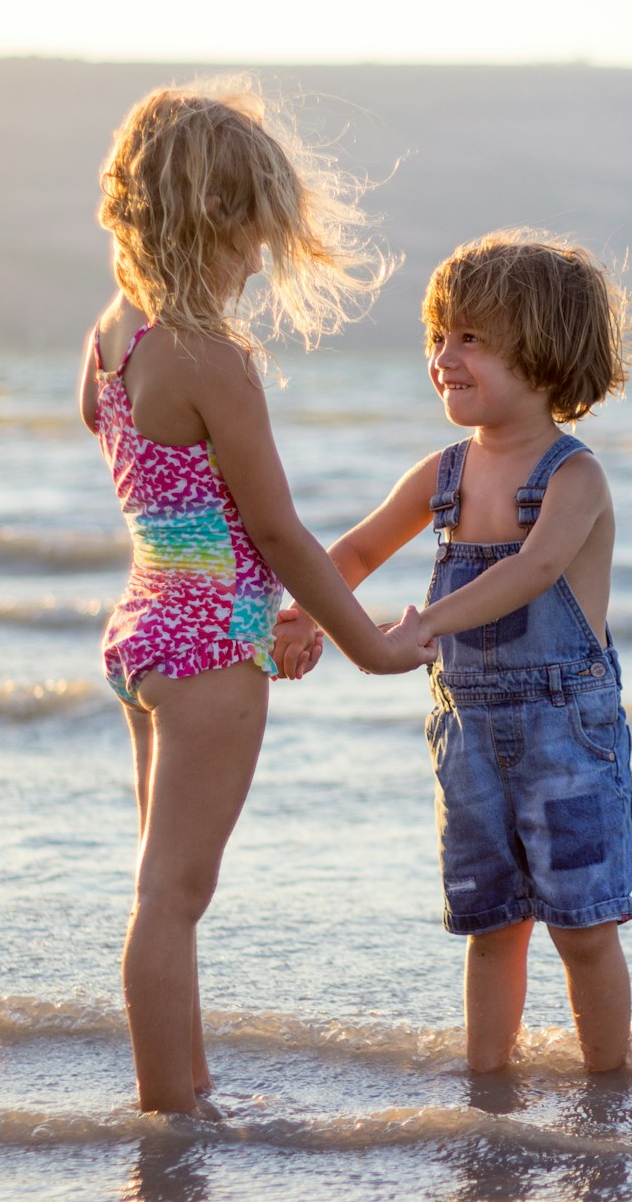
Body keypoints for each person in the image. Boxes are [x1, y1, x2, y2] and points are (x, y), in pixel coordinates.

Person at [77, 80, 434, 1117]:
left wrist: (228, 593)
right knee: (173, 900)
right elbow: (276, 530)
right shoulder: (212, 360)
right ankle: (172, 1119)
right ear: (216, 224)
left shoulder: (115, 336)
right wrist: (367, 641)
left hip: (144, 633)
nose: (258, 263)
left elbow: (121, 452)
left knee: (164, 893)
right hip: (206, 662)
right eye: (253, 239)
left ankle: (183, 1090)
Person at [307, 230, 632, 1073]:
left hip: (568, 736)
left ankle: (610, 1085)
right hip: (469, 740)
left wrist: (424, 627)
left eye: (472, 339)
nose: (444, 357)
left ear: (545, 354)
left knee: (584, 930)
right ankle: (488, 1088)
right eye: (438, 337)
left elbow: (533, 572)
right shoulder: (443, 473)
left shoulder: (575, 477)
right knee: (490, 926)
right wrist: (308, 614)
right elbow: (351, 555)